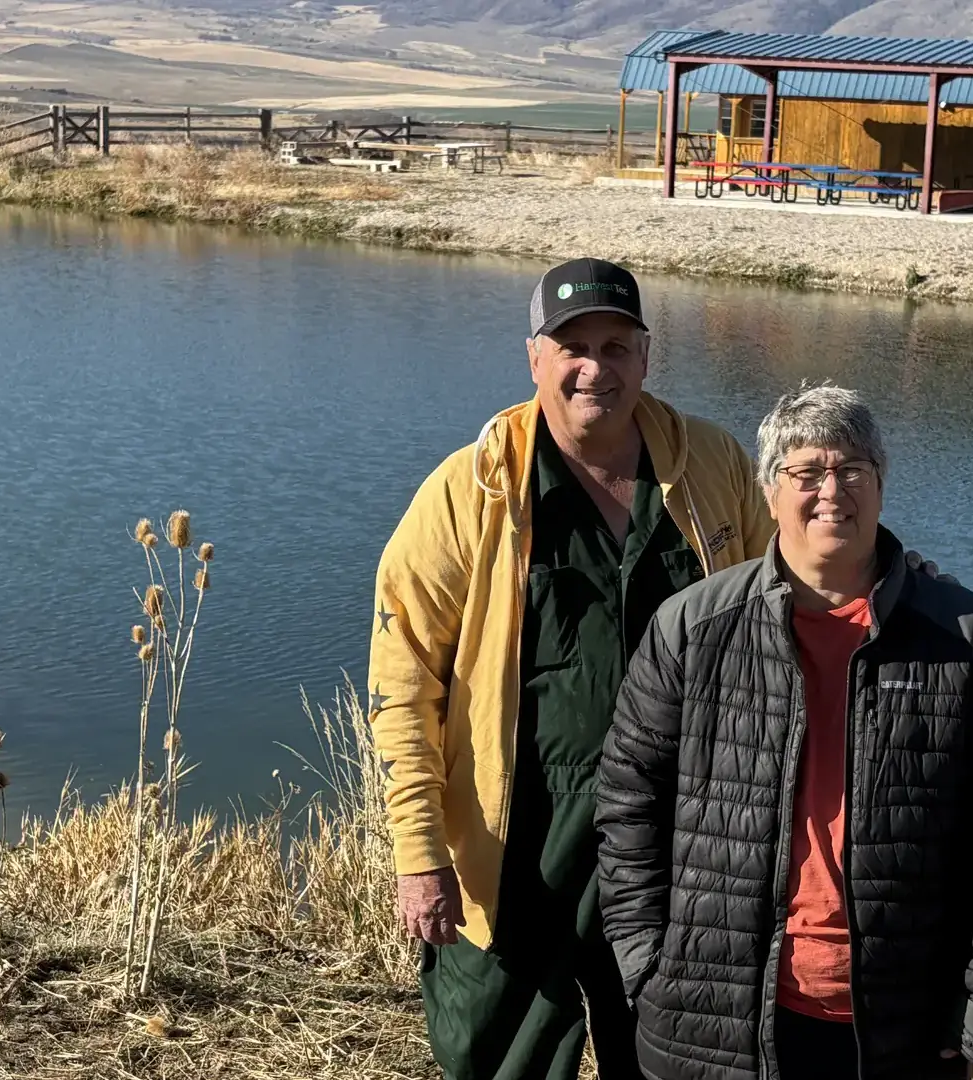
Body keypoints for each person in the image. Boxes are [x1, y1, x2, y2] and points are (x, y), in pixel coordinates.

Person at [366, 257, 773, 1080]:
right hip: (517, 841)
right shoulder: (469, 492)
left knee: (677, 1058)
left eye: (617, 346)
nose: (596, 367)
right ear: (535, 359)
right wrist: (420, 852)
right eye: (574, 345)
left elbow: (787, 599)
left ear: (647, 357)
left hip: (677, 839)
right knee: (496, 1057)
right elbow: (403, 685)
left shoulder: (713, 469)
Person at [594, 383, 973, 1080]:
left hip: (903, 1024)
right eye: (806, 472)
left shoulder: (966, 637)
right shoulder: (693, 628)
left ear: (880, 483)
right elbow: (628, 801)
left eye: (852, 470)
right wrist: (647, 964)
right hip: (714, 1015)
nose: (830, 491)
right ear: (768, 491)